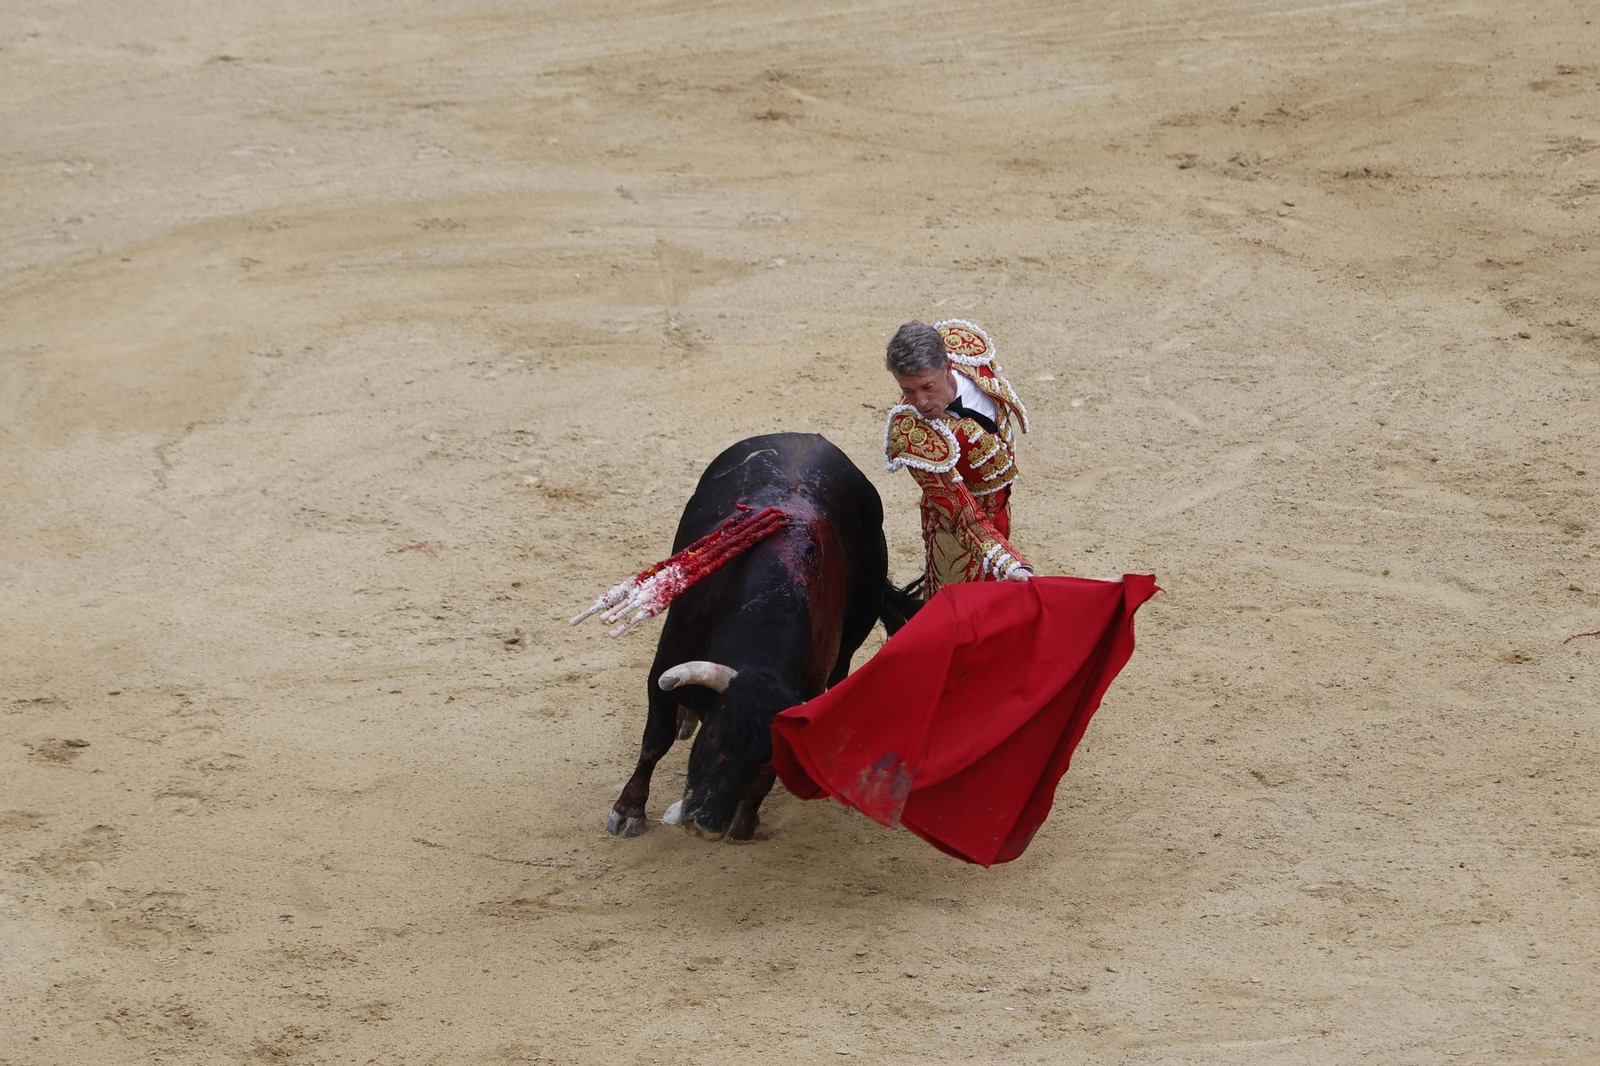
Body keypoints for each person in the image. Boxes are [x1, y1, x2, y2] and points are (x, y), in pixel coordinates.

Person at [882, 319, 1034, 598]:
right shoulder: (913, 434)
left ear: (948, 366)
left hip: (999, 508)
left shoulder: (968, 352)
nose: (921, 402)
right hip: (953, 535)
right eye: (908, 391)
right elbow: (962, 516)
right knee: (951, 614)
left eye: (927, 387)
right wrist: (1009, 561)